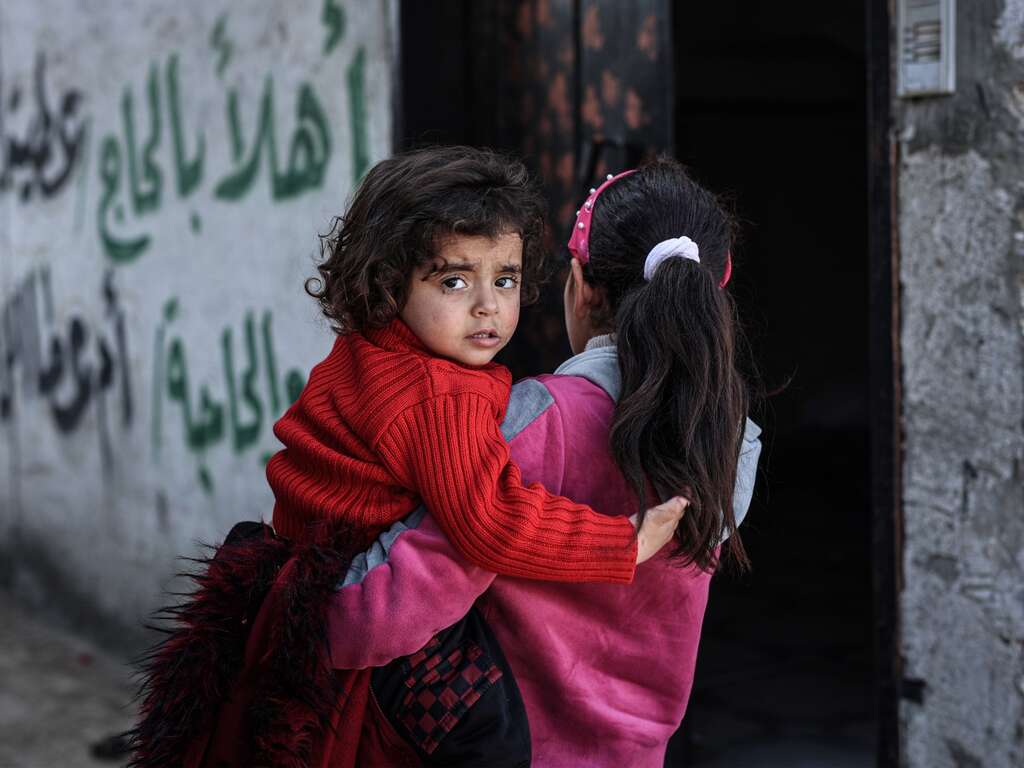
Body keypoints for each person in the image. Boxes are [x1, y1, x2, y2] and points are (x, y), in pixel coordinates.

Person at [129, 148, 688, 768]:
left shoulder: (370, 350)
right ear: (390, 282)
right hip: (361, 595)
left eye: (504, 278)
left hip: (299, 569)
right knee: (493, 740)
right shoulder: (437, 395)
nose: (487, 306)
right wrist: (622, 544)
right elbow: (491, 522)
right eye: (453, 280)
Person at [325, 158, 763, 767]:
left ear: (580, 284)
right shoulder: (732, 443)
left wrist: (299, 617)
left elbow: (376, 622)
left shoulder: (529, 423)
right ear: (716, 285)